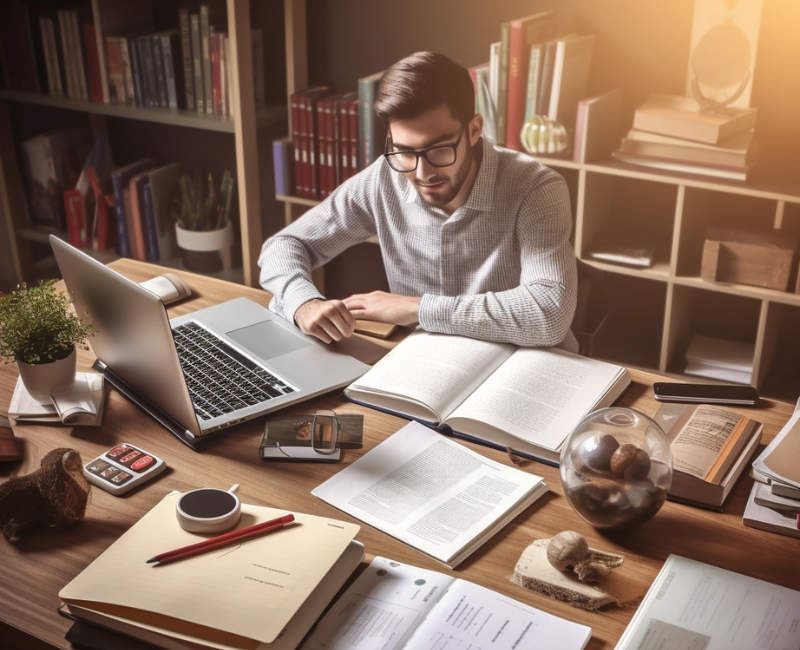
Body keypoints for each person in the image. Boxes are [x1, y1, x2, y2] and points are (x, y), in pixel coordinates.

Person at [259, 51, 578, 351]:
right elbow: (284, 245)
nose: (422, 172)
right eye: (406, 151)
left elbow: (549, 313)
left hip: (522, 367)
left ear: (474, 129)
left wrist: (416, 307)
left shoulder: (537, 188)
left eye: (439, 149)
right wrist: (303, 303)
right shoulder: (384, 178)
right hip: (424, 363)